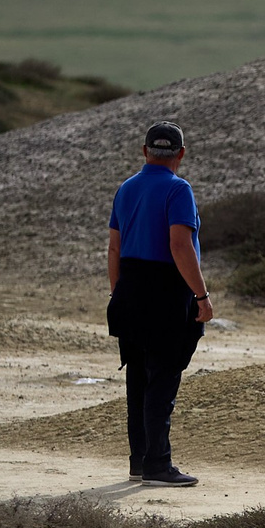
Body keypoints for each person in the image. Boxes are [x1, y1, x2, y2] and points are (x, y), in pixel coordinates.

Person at [107, 121, 212, 486]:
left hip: (129, 287)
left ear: (145, 151)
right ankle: (158, 465)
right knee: (162, 380)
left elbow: (115, 248)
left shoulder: (126, 188)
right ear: (181, 153)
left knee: (138, 379)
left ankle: (139, 461)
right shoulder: (178, 189)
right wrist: (201, 296)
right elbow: (179, 245)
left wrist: (118, 292)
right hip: (166, 291)